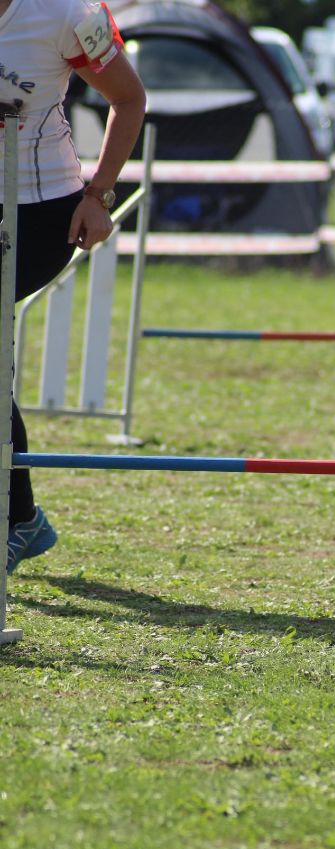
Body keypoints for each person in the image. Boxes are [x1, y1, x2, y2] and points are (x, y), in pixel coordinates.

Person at [0, 0, 146, 573]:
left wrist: (98, 195)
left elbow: (129, 99)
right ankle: (23, 519)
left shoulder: (65, 13)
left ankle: (18, 519)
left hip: (42, 213)